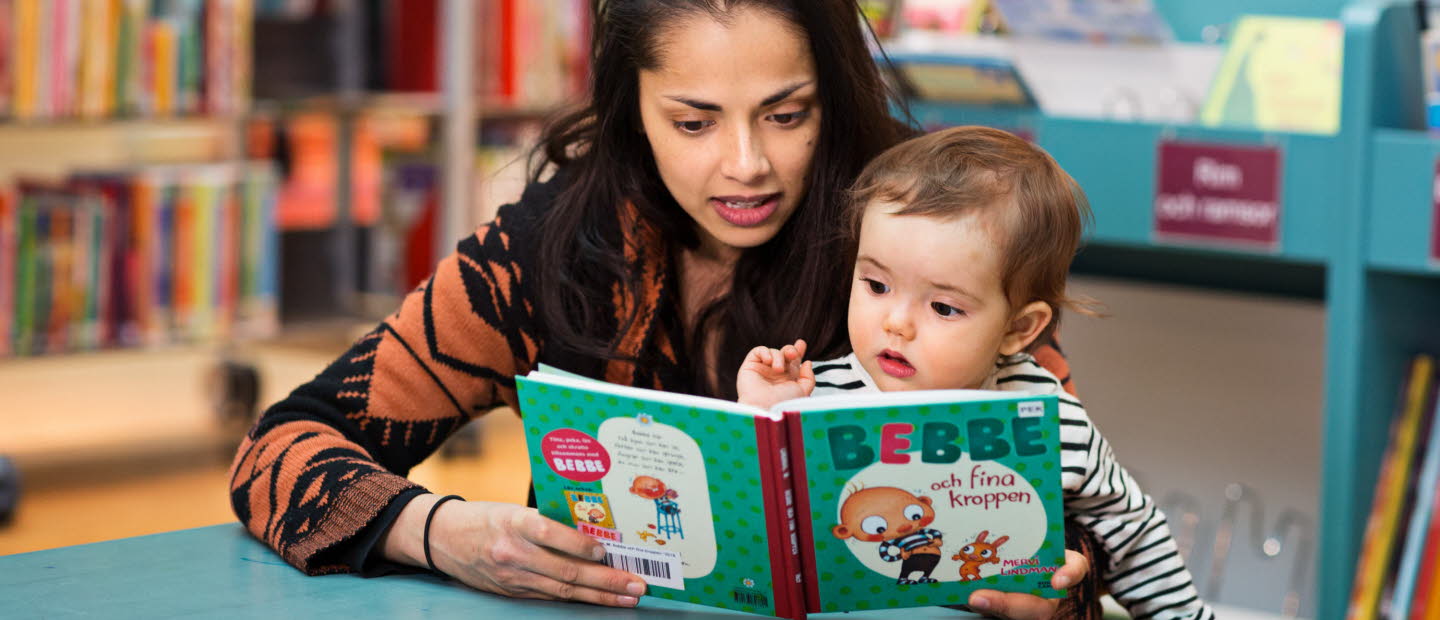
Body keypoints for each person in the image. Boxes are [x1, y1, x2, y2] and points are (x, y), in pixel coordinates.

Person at [229, 2, 1094, 618]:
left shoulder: (932, 245)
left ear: (833, 98)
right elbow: (277, 451)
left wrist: (1052, 596)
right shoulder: (545, 252)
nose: (746, 164)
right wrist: (437, 531)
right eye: (694, 122)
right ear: (633, 109)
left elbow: (1085, 550)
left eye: (786, 115)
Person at [737, 126, 1215, 619]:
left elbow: (1132, 530)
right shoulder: (815, 395)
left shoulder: (1048, 419)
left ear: (1019, 328)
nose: (895, 323)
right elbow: (753, 532)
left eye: (943, 307)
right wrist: (762, 421)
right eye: (877, 284)